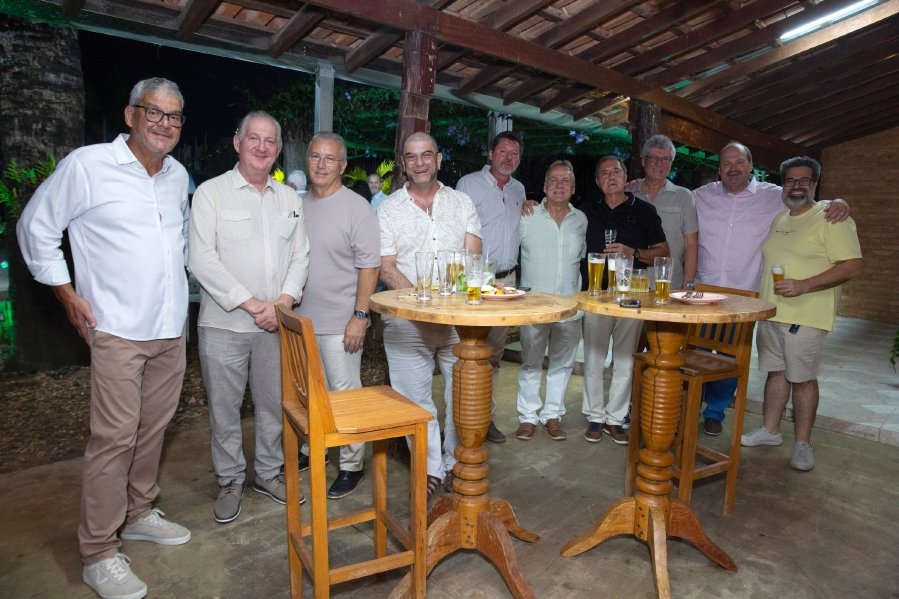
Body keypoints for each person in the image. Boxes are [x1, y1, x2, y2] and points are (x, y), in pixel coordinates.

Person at [17, 77, 192, 599]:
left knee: (152, 430)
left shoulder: (178, 174)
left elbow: (173, 243)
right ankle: (98, 551)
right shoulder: (87, 166)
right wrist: (68, 295)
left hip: (169, 328)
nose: (164, 123)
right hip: (116, 328)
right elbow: (35, 228)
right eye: (153, 112)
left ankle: (138, 512)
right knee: (114, 438)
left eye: (174, 116)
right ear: (130, 114)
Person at [189, 111, 310, 523]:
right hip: (224, 324)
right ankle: (229, 480)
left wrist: (284, 301)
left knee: (274, 404)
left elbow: (300, 254)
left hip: (277, 323)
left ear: (278, 150)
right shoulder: (211, 193)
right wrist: (251, 304)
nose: (262, 147)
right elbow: (201, 259)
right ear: (237, 142)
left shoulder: (289, 198)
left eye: (270, 141)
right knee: (223, 407)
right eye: (253, 138)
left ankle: (269, 474)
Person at [693, 142, 850, 436]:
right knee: (698, 352)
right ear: (719, 168)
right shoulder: (702, 195)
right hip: (704, 293)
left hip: (743, 295)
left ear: (751, 165)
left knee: (729, 358)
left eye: (739, 162)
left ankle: (715, 412)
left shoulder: (772, 196)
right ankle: (692, 406)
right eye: (726, 163)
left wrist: (839, 202)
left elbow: (808, 200)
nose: (733, 168)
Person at [741, 156, 862, 471]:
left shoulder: (832, 218)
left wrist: (805, 285)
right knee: (776, 373)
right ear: (783, 184)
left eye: (804, 180)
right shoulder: (780, 218)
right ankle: (770, 431)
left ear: (815, 184)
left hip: (805, 316)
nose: (796, 186)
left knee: (803, 379)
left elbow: (852, 265)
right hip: (772, 313)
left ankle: (803, 444)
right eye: (790, 180)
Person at [378, 132, 482, 495]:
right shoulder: (388, 208)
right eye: (411, 156)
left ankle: (455, 463)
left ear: (439, 159)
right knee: (413, 400)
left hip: (457, 319)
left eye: (426, 155)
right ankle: (429, 468)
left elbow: (472, 257)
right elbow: (386, 266)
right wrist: (420, 304)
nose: (419, 162)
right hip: (406, 320)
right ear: (403, 163)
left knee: (462, 394)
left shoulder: (463, 202)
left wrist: (446, 305)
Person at [295, 132, 381, 498]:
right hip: (301, 321)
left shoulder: (356, 208)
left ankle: (351, 464)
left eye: (330, 159)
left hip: (340, 322)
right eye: (315, 156)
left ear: (343, 166)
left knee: (344, 394)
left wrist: (360, 316)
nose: (321, 164)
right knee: (309, 393)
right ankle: (310, 446)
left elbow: (370, 266)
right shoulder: (297, 204)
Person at [581, 155, 669, 445]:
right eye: (604, 173)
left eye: (615, 171)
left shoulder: (643, 209)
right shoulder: (586, 211)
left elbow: (663, 251)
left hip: (632, 293)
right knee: (593, 358)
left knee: (624, 360)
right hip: (596, 293)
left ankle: (616, 418)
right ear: (597, 181)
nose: (611, 177)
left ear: (625, 176)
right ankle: (595, 416)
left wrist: (633, 252)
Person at [456, 130, 526, 444]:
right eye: (503, 152)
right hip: (475, 282)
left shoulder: (520, 190)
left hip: (507, 282)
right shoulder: (469, 184)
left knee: (494, 355)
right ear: (490, 153)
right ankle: (460, 421)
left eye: (514, 153)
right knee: (468, 354)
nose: (508, 158)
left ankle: (486, 419)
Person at [515, 161, 586, 442]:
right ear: (544, 187)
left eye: (565, 181)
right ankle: (528, 417)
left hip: (569, 305)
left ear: (573, 188)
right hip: (534, 305)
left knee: (563, 363)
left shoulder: (581, 220)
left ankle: (553, 415)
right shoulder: (527, 216)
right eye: (553, 180)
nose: (559, 185)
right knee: (531, 362)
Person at [626, 134, 698, 290]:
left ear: (671, 163)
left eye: (665, 159)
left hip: (670, 285)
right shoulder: (628, 192)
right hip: (631, 284)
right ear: (643, 161)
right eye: (653, 158)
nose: (659, 163)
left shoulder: (684, 197)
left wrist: (689, 284)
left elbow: (691, 244)